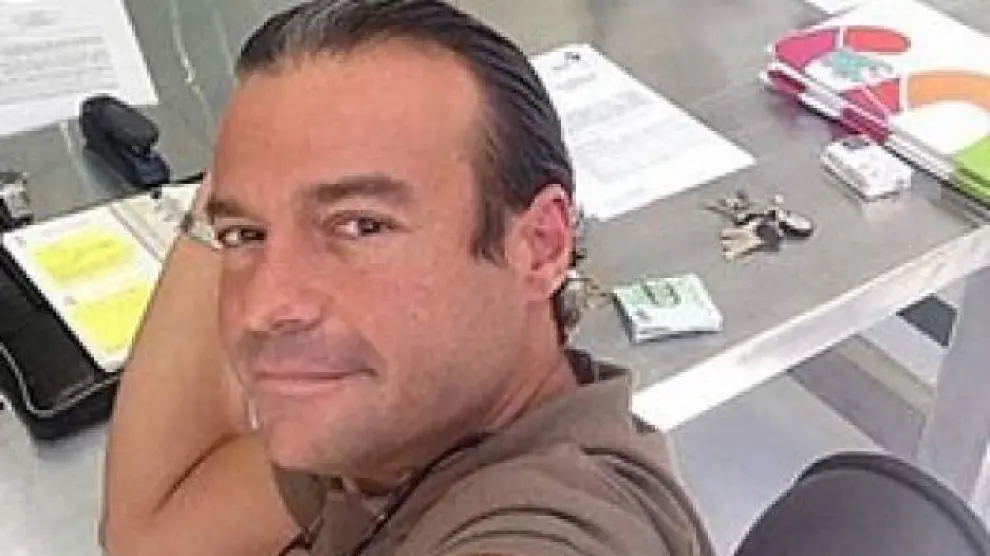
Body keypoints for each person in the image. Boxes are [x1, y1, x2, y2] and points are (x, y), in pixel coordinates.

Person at [101, 1, 713, 555]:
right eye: (244, 234)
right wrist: (260, 163)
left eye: (361, 226)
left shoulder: (560, 523)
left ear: (540, 246)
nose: (265, 306)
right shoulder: (399, 427)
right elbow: (154, 535)